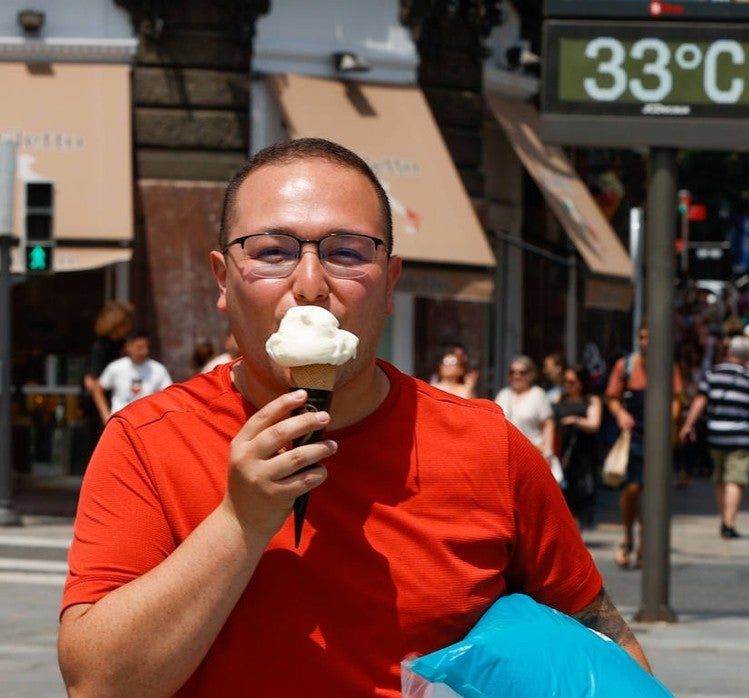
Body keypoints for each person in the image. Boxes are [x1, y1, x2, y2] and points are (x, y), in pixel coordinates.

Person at [59, 137, 649, 696]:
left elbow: (602, 644)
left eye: (346, 253)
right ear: (223, 279)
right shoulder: (147, 441)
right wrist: (241, 521)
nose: (311, 284)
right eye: (272, 251)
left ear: (390, 282)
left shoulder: (487, 446)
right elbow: (98, 684)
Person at [604, 325, 683, 569]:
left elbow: (678, 398)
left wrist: (669, 420)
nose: (645, 341)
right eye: (641, 337)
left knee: (653, 493)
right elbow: (612, 397)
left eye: (650, 337)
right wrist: (620, 415)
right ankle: (628, 535)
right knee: (632, 488)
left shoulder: (668, 366)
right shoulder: (625, 365)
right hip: (634, 435)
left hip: (657, 438)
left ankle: (644, 545)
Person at [678, 335, 749, 539]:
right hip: (740, 436)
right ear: (747, 356)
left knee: (720, 479)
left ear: (729, 352)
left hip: (716, 434)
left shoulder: (712, 374)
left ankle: (724, 517)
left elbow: (700, 400)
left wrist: (688, 424)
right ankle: (729, 522)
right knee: (735, 479)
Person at [494, 354, 558, 483]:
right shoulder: (503, 394)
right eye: (513, 372)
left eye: (522, 372)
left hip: (533, 453)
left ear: (530, 374)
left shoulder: (538, 394)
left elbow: (548, 424)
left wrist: (548, 453)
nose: (517, 376)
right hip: (506, 456)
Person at [553, 364, 602, 530]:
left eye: (572, 382)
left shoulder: (592, 400)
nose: (568, 385)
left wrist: (576, 420)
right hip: (561, 453)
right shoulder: (559, 398)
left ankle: (575, 534)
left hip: (582, 455)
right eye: (566, 381)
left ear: (582, 382)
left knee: (580, 495)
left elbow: (594, 424)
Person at [82, 300, 134, 437]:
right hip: (102, 408)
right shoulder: (101, 347)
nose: (129, 327)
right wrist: (105, 410)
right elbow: (90, 381)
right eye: (125, 323)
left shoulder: (125, 345)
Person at [95, 330, 173, 420]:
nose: (145, 351)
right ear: (128, 347)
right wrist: (105, 415)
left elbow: (168, 394)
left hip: (148, 420)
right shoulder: (116, 367)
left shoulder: (158, 369)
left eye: (147, 347)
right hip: (121, 421)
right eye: (140, 347)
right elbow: (98, 388)